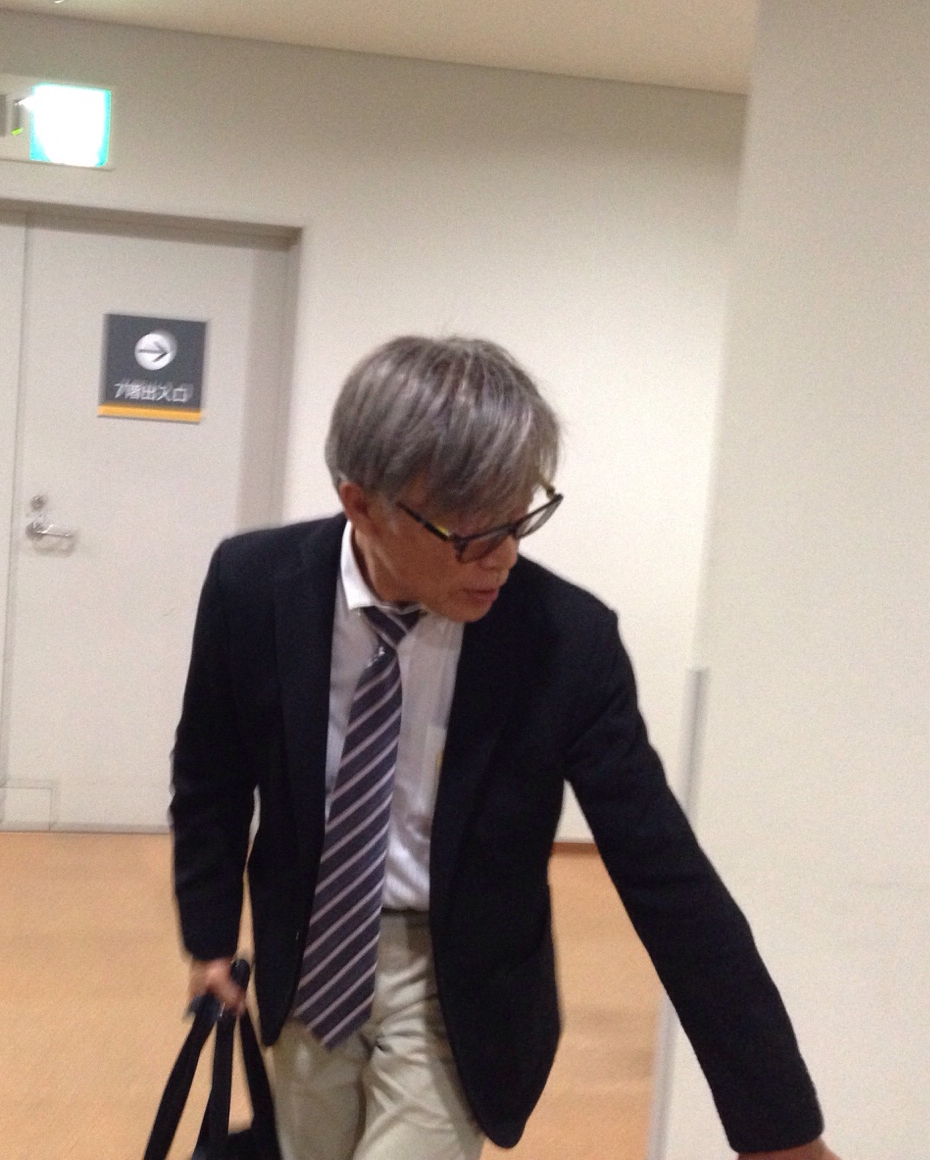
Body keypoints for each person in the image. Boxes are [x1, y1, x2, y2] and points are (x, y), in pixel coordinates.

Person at [170, 336, 842, 1160]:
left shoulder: (567, 641)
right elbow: (210, 773)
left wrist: (780, 1130)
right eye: (469, 533)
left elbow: (668, 879)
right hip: (307, 953)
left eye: (519, 519)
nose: (504, 557)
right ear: (362, 505)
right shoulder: (252, 585)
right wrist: (209, 935)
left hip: (457, 978)